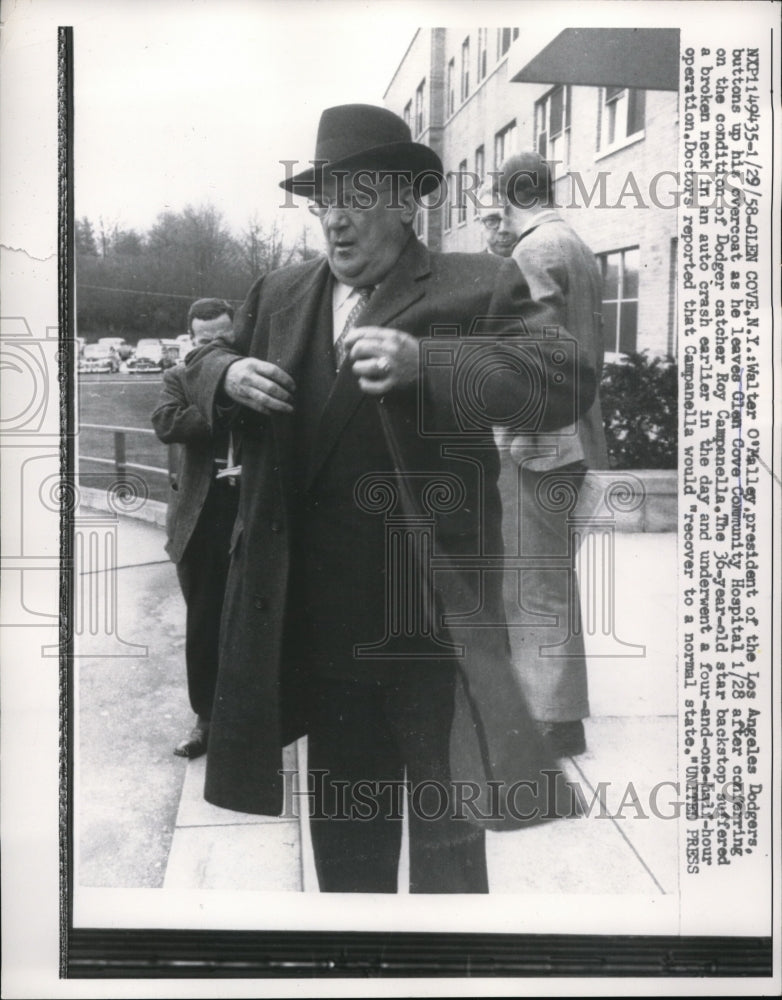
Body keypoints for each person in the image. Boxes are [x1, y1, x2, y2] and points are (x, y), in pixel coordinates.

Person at [184, 105, 597, 893]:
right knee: (346, 860)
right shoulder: (279, 293)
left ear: (407, 199)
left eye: (358, 196)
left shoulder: (478, 282)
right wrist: (223, 377)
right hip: (321, 642)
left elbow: (562, 377)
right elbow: (197, 366)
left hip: (430, 642)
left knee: (449, 865)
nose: (334, 220)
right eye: (323, 200)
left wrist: (431, 365)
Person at [493, 151, 609, 758]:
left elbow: (530, 356)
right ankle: (555, 708)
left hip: (541, 442)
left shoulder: (533, 251)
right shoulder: (577, 245)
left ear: (506, 192)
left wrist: (507, 434)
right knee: (549, 575)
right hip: (576, 433)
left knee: (534, 579)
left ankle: (553, 718)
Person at [151, 298, 239, 758]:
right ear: (191, 340)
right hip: (202, 517)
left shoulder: (253, 371)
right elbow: (166, 422)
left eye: (224, 338)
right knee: (205, 621)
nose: (215, 347)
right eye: (205, 341)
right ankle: (206, 719)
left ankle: (263, 717)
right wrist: (222, 408)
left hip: (253, 510)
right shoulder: (178, 377)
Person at [476, 182, 518, 258]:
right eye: (492, 220)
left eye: (511, 218)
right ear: (480, 224)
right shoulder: (468, 269)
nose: (503, 229)